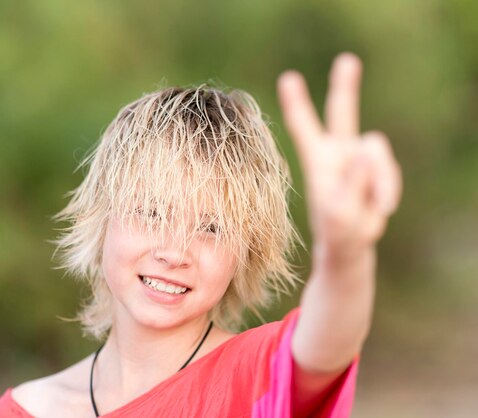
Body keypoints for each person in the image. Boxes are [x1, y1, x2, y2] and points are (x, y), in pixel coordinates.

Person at [0, 53, 402, 417]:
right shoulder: (24, 409)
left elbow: (328, 344)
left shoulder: (256, 378)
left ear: (246, 250)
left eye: (210, 227)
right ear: (102, 216)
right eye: (152, 212)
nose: (175, 252)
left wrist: (344, 255)